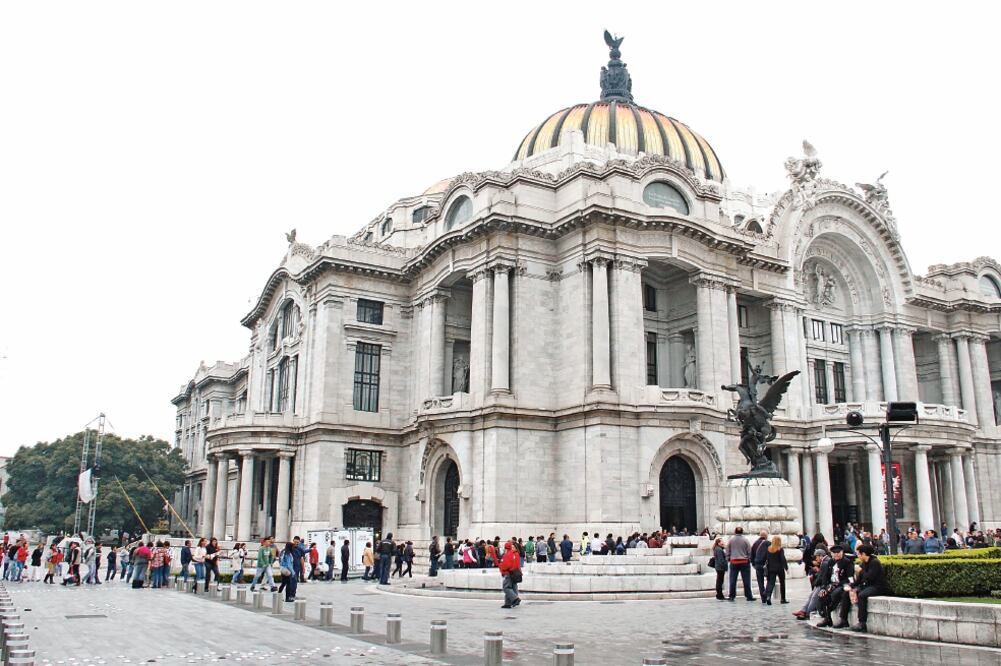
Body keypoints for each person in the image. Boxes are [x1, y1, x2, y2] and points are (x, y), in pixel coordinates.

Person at [835, 544, 886, 632]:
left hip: (877, 586)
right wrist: (851, 586)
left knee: (862, 595)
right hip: (866, 585)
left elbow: (870, 577)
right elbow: (859, 580)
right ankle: (843, 619)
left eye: (858, 554)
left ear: (864, 554)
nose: (857, 556)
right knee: (846, 593)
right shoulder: (863, 564)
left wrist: (861, 571)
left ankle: (862, 623)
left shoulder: (874, 562)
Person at [815, 546, 853, 626]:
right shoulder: (830, 562)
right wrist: (824, 587)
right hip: (831, 584)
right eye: (834, 553)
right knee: (822, 595)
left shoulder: (847, 562)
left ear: (842, 552)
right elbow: (826, 576)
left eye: (838, 553)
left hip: (842, 584)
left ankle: (841, 618)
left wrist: (837, 585)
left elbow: (849, 578)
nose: (836, 555)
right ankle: (827, 618)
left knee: (835, 594)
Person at [725, 527, 755, 601]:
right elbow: (749, 551)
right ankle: (749, 596)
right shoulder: (745, 540)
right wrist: (749, 559)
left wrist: (728, 558)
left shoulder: (731, 540)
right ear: (742, 532)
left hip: (734, 561)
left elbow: (727, 550)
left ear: (735, 532)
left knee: (732, 580)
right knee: (746, 580)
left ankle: (732, 596)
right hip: (744, 562)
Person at [762, 536, 788, 605]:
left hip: (771, 568)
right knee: (782, 583)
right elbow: (783, 559)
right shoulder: (780, 549)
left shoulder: (768, 549)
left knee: (771, 583)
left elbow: (765, 558)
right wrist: (786, 568)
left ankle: (768, 596)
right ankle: (783, 599)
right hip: (780, 569)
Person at [499, 540, 522, 609]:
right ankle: (508, 603)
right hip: (515, 572)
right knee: (512, 587)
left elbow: (506, 565)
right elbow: (518, 565)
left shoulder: (508, 554)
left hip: (508, 572)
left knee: (506, 587)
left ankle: (515, 599)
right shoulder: (516, 554)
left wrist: (502, 570)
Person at [750, 530, 769, 600]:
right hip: (767, 565)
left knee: (760, 581)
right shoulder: (768, 543)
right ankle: (766, 593)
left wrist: (753, 564)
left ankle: (763, 597)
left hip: (758, 565)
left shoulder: (755, 543)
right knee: (769, 580)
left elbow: (751, 555)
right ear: (766, 536)